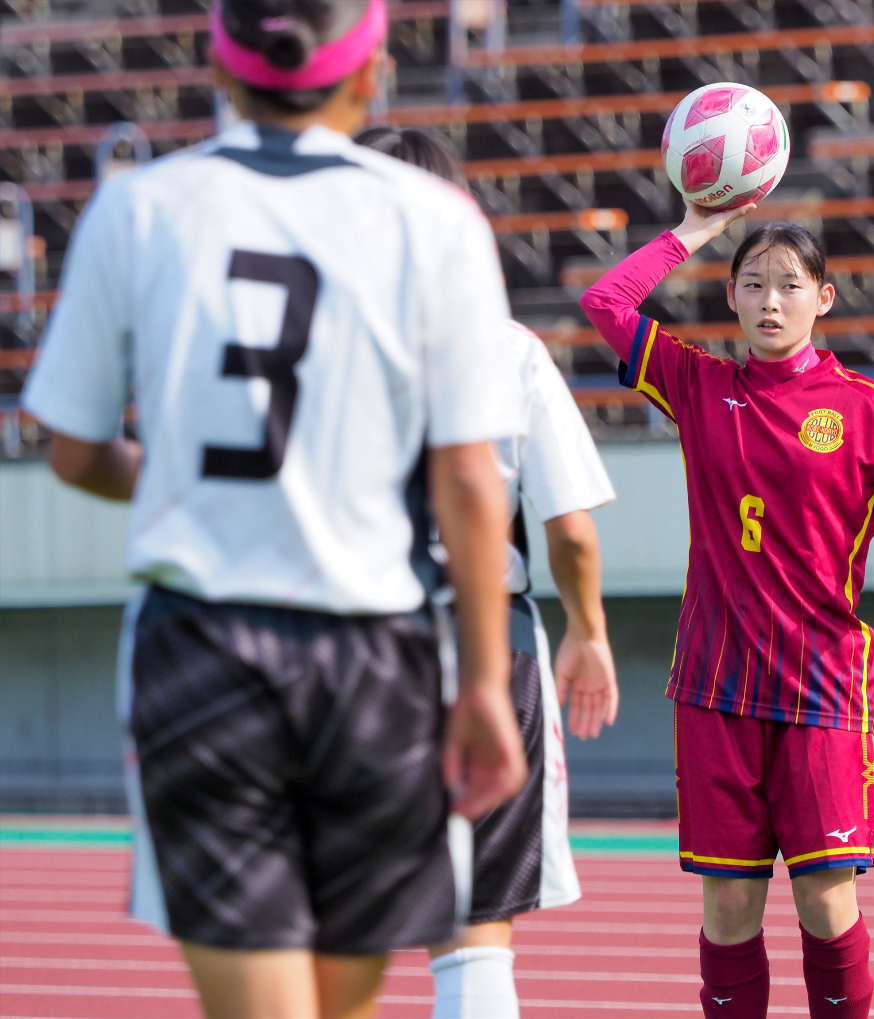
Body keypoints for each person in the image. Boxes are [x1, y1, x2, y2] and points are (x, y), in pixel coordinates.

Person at [21, 3, 527, 1017]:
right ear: (374, 64)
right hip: (375, 650)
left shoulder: (140, 207)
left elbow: (72, 450)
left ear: (218, 54)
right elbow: (471, 481)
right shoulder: (437, 221)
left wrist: (177, 479)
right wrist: (482, 678)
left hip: (202, 645)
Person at [580, 203, 874, 1019]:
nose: (771, 301)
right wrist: (693, 230)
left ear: (825, 297)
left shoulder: (865, 406)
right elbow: (606, 303)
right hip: (715, 689)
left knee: (825, 902)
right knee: (730, 911)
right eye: (752, 285)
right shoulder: (700, 386)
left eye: (789, 285)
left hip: (822, 689)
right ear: (733, 300)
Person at [354, 124, 621, 1019]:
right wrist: (588, 630)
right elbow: (571, 531)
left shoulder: (306, 346)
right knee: (475, 931)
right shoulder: (507, 348)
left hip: (339, 642)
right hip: (483, 645)